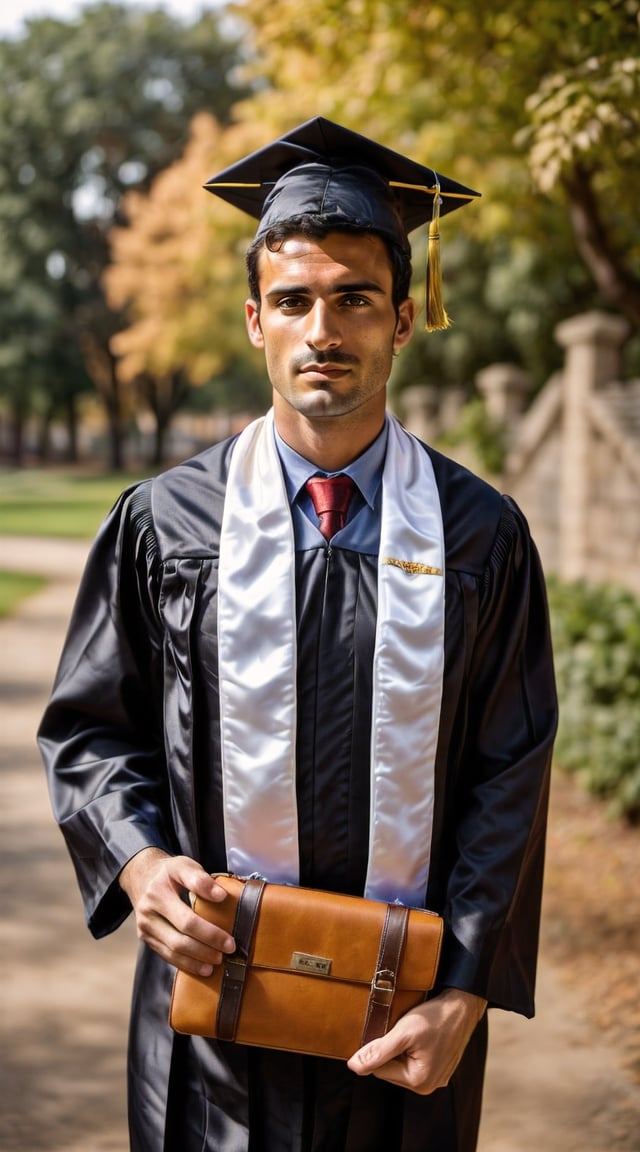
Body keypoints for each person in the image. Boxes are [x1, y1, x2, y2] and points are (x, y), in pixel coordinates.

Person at [38, 117, 558, 1152]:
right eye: (294, 301)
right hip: (209, 1018)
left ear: (404, 319)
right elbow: (93, 732)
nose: (323, 329)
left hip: (402, 1019)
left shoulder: (480, 536)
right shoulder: (165, 525)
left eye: (354, 297)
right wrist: (140, 866)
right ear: (254, 321)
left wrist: (464, 991)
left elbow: (511, 772)